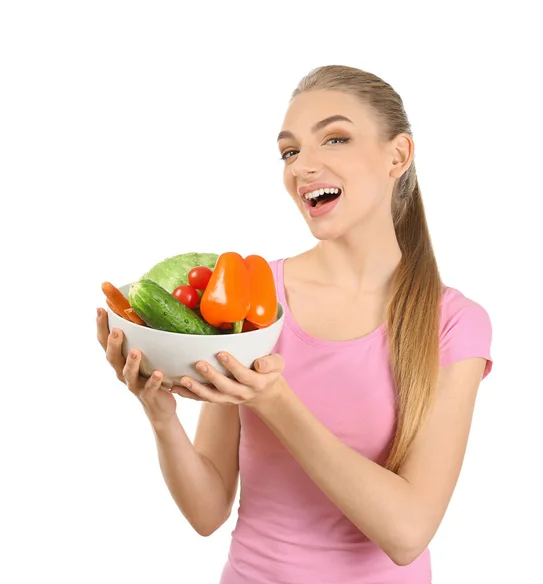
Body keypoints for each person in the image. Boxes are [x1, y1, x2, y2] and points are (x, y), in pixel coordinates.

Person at [96, 64, 493, 584]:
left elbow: (407, 532)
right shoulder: (254, 294)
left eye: (335, 138)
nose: (304, 166)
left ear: (398, 155)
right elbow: (207, 510)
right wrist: (161, 414)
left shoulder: (455, 323)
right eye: (290, 151)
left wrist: (274, 401)